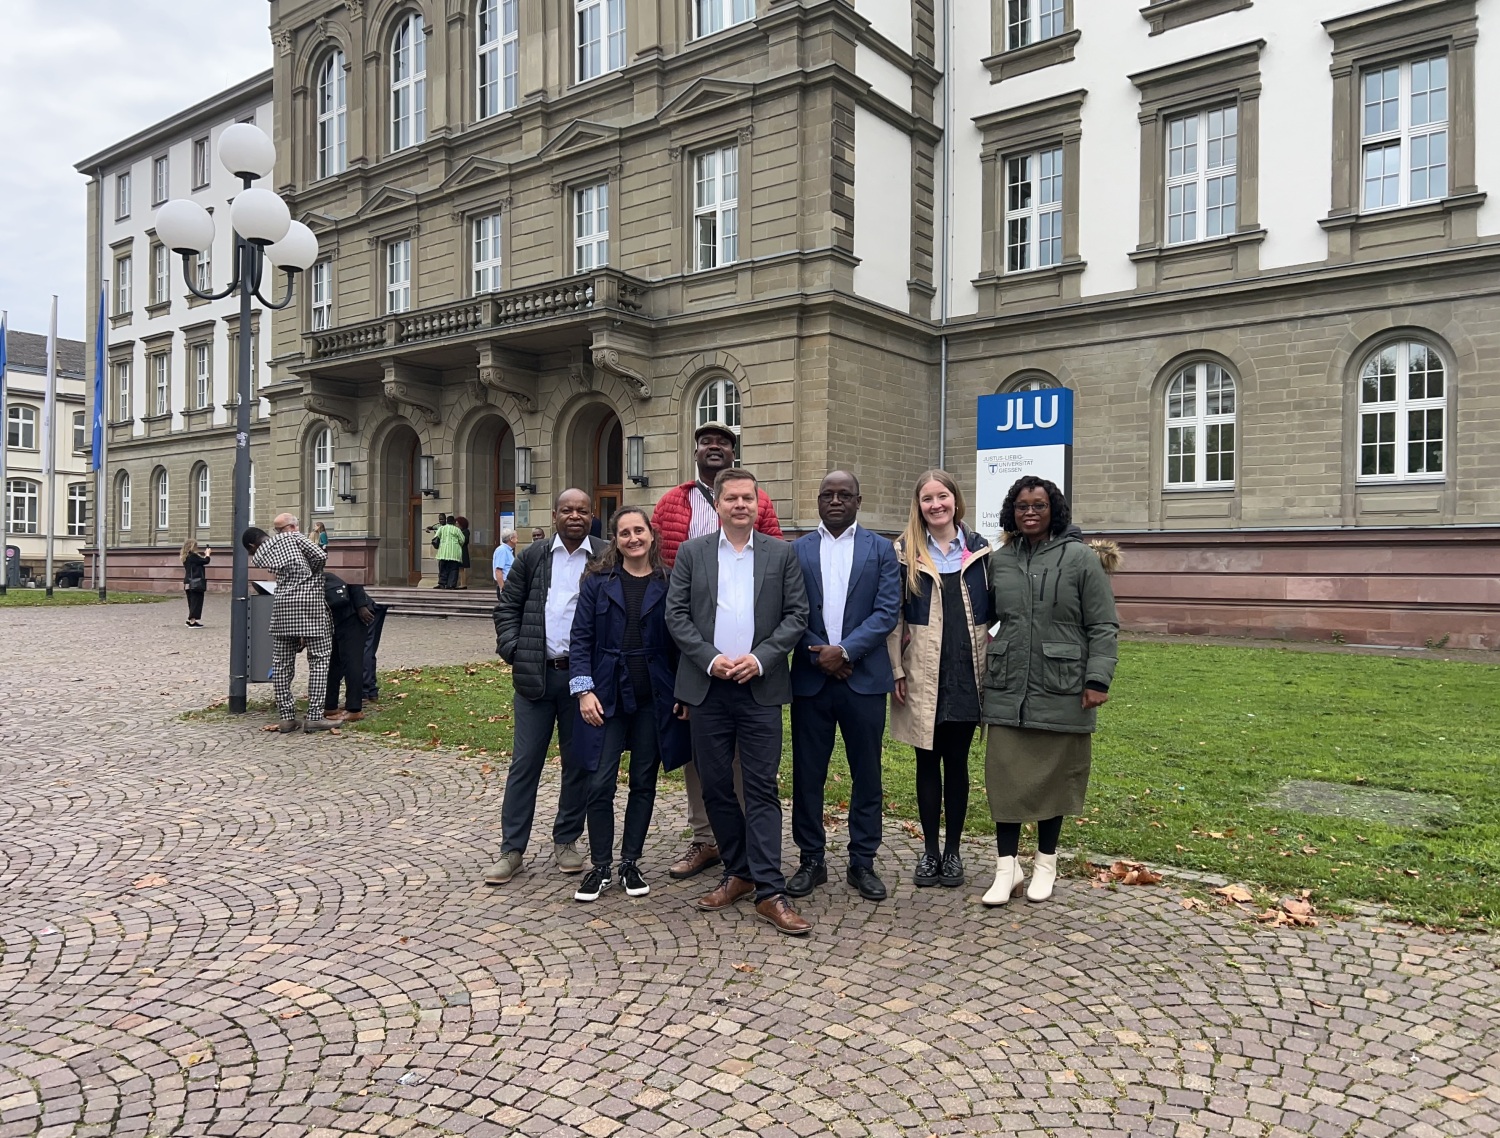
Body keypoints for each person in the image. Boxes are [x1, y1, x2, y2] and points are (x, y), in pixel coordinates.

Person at [666, 467, 811, 935]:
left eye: (748, 497)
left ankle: (771, 891)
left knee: (762, 787)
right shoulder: (692, 553)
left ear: (758, 503)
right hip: (708, 687)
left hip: (759, 687)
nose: (741, 505)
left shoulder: (780, 554)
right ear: (717, 503)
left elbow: (796, 616)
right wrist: (709, 659)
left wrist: (761, 658)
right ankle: (739, 871)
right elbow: (677, 615)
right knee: (714, 787)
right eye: (732, 498)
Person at [653, 420, 784, 883]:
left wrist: (761, 655)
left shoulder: (759, 506)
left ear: (734, 454)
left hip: (754, 667)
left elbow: (777, 579)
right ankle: (707, 838)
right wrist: (698, 658)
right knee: (703, 761)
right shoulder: (672, 503)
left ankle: (752, 850)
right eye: (707, 441)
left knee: (752, 769)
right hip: (692, 653)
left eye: (723, 442)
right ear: (696, 451)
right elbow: (664, 582)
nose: (715, 447)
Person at [981, 476, 1120, 906]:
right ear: (1012, 511)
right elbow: (979, 618)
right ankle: (1007, 869)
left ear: (1053, 509)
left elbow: (1103, 624)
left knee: (1053, 780)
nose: (1030, 512)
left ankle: (1045, 863)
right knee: (1004, 779)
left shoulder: (1080, 559)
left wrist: (1098, 678)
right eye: (1022, 506)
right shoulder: (999, 560)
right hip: (1007, 687)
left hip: (1063, 687)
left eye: (1038, 505)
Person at [567, 507, 691, 902]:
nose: (633, 538)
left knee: (644, 781)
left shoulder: (670, 582)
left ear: (651, 536)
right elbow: (580, 639)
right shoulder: (597, 582)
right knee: (599, 781)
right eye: (624, 533)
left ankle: (629, 862)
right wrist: (584, 691)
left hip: (654, 697)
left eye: (639, 531)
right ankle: (600, 865)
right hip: (606, 694)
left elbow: (682, 645)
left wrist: (684, 693)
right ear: (616, 540)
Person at [788, 472, 901, 902]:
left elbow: (887, 611)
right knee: (807, 775)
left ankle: (862, 862)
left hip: (864, 680)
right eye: (827, 495)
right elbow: (789, 611)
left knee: (867, 775)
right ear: (818, 501)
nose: (835, 501)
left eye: (844, 495)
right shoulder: (797, 550)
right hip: (811, 683)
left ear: (859, 499)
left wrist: (846, 652)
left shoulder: (881, 550)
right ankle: (811, 860)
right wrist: (822, 654)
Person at [487, 489, 606, 884]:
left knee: (578, 764)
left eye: (583, 511)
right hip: (536, 675)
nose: (575, 516)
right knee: (525, 763)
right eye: (567, 510)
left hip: (582, 680)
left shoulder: (605, 556)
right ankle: (512, 848)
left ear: (592, 515)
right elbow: (507, 607)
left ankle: (567, 839)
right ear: (554, 515)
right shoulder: (533, 557)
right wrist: (514, 649)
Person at [888, 470, 993, 889]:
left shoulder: (981, 551)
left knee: (958, 763)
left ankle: (953, 852)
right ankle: (929, 851)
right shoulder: (903, 553)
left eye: (942, 496)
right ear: (918, 505)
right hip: (922, 672)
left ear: (955, 500)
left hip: (967, 670)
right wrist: (896, 668)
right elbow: (893, 619)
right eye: (927, 499)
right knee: (926, 762)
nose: (936, 505)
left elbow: (997, 613)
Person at [242, 514, 335, 734]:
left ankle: (286, 717)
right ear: (290, 527)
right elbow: (320, 555)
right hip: (310, 604)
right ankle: (314, 717)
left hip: (283, 605)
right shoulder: (294, 538)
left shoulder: (260, 554)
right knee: (319, 660)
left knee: (282, 664)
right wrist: (311, 573)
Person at [323, 571, 377, 723]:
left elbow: (352, 574)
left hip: (352, 612)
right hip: (335, 614)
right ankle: (330, 705)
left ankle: (354, 709)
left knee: (352, 661)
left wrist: (360, 605)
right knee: (333, 661)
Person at [180, 539, 211, 627]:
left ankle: (192, 620)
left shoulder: (186, 557)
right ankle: (192, 621)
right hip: (195, 582)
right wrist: (207, 554)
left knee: (192, 601)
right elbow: (205, 561)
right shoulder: (193, 556)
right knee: (196, 601)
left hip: (188, 581)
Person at [433, 514, 464, 589]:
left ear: (447, 521)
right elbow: (462, 540)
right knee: (453, 570)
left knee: (443, 569)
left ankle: (442, 583)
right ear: (453, 522)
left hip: (443, 553)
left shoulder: (441, 528)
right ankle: (451, 585)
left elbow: (435, 538)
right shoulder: (457, 530)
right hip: (454, 554)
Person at [492, 530, 517, 600]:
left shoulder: (508, 551)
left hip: (510, 585)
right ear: (511, 539)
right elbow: (498, 571)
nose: (517, 540)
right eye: (516, 538)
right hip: (506, 585)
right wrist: (502, 589)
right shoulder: (502, 550)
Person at [456, 515, 472, 588]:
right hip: (459, 550)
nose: (456, 525)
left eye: (457, 523)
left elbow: (465, 541)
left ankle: (463, 583)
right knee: (459, 568)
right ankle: (459, 583)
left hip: (463, 551)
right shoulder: (459, 531)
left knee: (462, 568)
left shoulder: (465, 531)